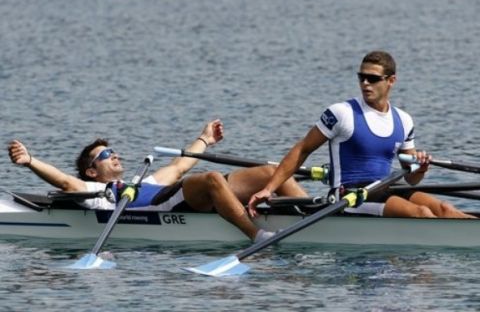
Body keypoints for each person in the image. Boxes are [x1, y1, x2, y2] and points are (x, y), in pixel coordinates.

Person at [248, 51, 475, 219]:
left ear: (391, 81)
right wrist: (269, 189)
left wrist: (421, 168)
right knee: (421, 214)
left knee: (445, 210)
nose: (365, 83)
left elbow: (411, 178)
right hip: (349, 196)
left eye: (373, 79)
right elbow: (303, 149)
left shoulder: (404, 120)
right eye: (361, 77)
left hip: (385, 189)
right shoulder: (342, 113)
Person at [8, 119, 308, 242]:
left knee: (272, 172)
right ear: (91, 171)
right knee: (212, 178)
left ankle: (312, 212)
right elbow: (63, 183)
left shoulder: (143, 180)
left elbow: (179, 166)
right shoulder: (95, 190)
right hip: (160, 208)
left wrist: (204, 138)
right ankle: (256, 235)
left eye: (114, 151)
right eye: (105, 154)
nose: (115, 155)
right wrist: (31, 160)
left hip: (172, 194)